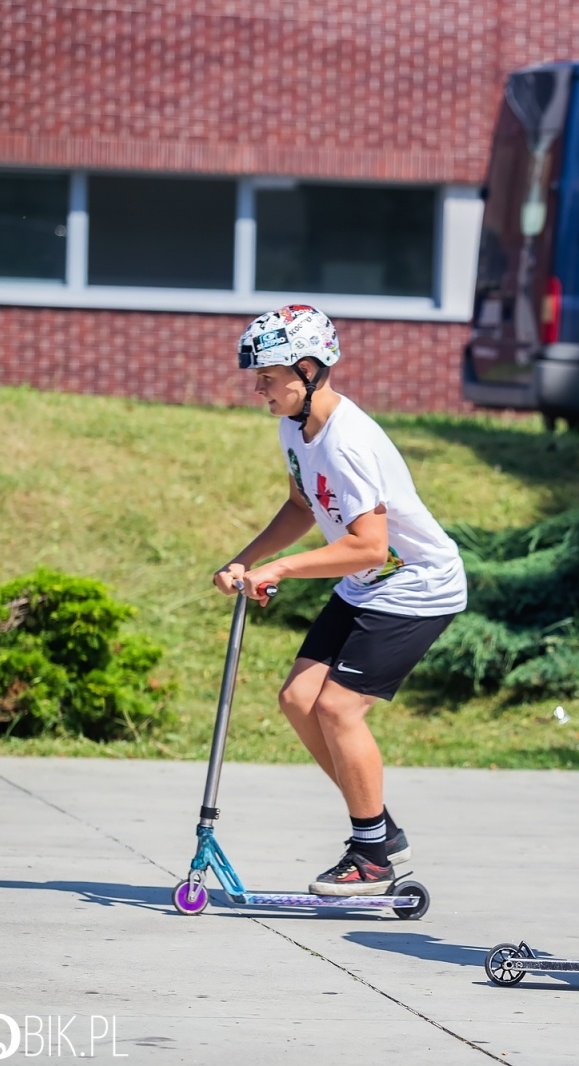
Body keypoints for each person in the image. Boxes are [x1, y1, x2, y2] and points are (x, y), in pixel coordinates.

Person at [214, 304, 467, 896]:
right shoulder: (295, 427)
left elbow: (369, 546)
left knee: (337, 709)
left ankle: (371, 854)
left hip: (417, 585)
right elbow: (301, 507)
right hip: (369, 584)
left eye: (268, 377)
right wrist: (244, 560)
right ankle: (380, 830)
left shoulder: (347, 443)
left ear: (307, 370)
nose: (259, 389)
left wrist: (282, 568)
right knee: (299, 699)